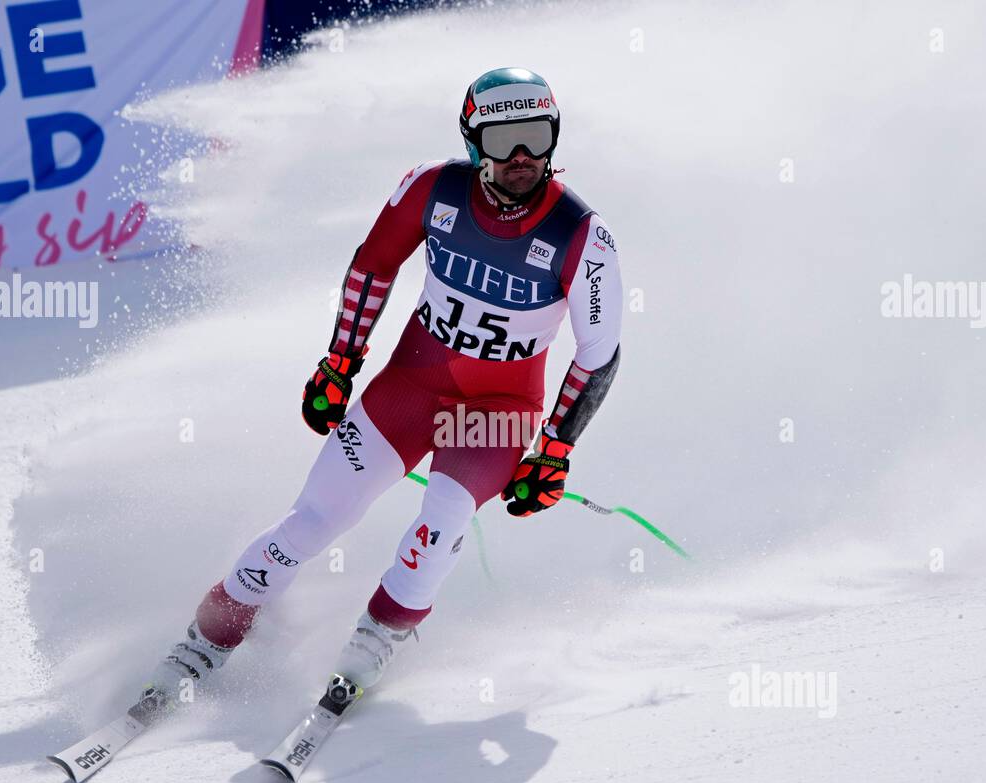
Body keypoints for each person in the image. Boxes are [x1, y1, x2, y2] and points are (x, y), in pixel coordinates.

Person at [138, 67, 623, 715]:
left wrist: (556, 448)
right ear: (475, 141)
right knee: (312, 521)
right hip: (411, 389)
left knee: (444, 518)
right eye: (505, 139)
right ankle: (208, 636)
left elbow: (599, 354)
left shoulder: (583, 237)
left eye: (537, 136)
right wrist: (340, 362)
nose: (522, 158)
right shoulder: (431, 187)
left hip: (496, 414)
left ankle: (375, 639)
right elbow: (374, 266)